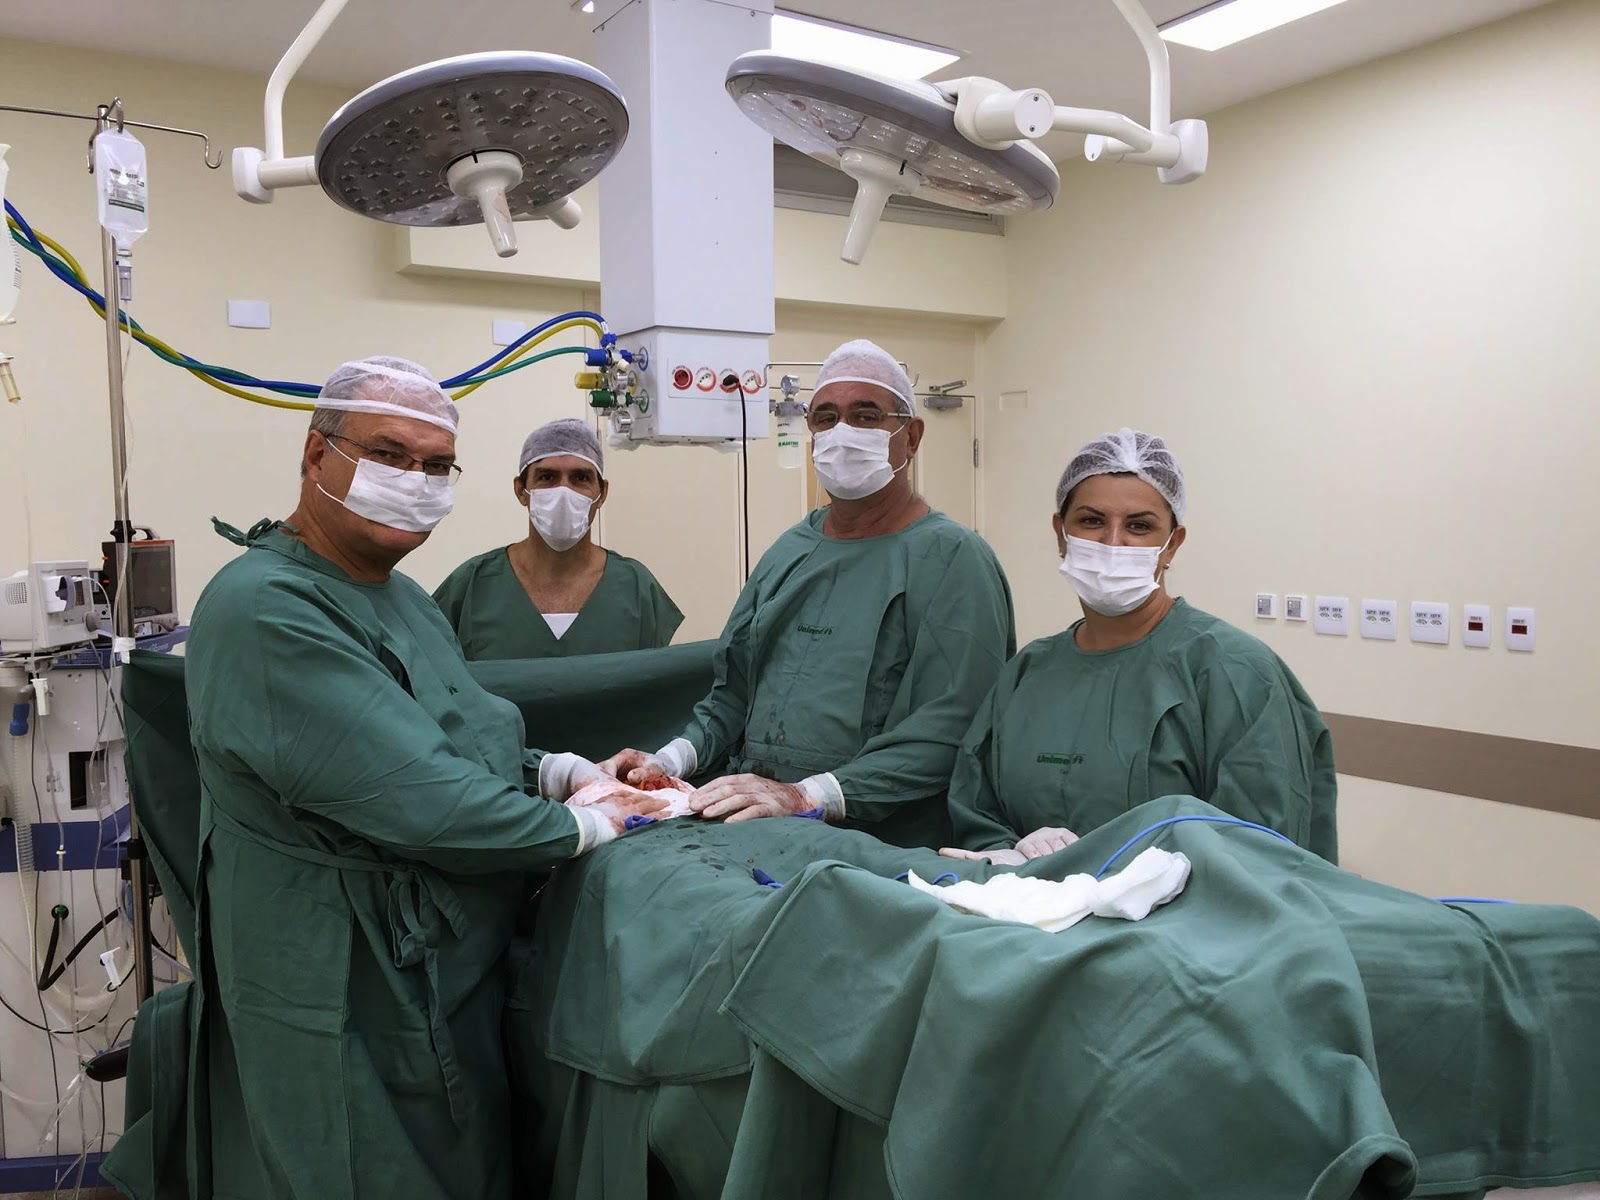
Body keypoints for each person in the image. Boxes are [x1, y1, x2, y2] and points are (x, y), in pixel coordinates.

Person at [179, 358, 663, 1200]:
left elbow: (449, 734)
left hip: (434, 965)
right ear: (317, 455)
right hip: (342, 975)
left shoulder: (400, 597)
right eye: (389, 455)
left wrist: (557, 773)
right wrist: (592, 823)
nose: (416, 480)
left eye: (438, 465)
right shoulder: (267, 607)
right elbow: (423, 798)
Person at [601, 339, 1016, 848]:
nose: (843, 431)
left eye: (866, 416)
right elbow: (732, 695)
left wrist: (809, 795)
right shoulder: (791, 551)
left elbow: (951, 728)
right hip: (759, 820)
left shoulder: (955, 560)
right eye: (826, 417)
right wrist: (669, 760)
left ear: (911, 437)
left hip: (883, 843)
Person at [941, 428, 1337, 868]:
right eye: (1091, 521)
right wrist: (1011, 852)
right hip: (1031, 907)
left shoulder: (1236, 672)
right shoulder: (1028, 672)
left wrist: (1109, 875)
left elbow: (1262, 854)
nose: (1113, 543)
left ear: (1172, 545)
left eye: (1139, 526)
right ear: (1061, 533)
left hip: (1179, 914)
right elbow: (976, 809)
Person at [433, 417, 682, 660]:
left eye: (580, 478)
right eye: (547, 477)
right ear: (521, 490)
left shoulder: (637, 588)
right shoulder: (471, 586)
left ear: (602, 493)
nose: (564, 491)